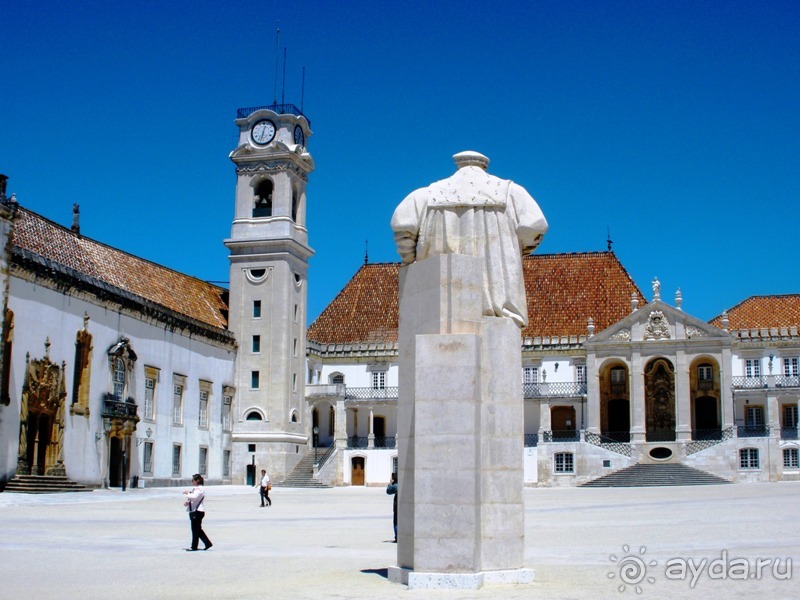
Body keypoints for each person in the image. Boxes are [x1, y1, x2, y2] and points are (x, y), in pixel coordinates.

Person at [390, 150, 548, 329]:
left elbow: (402, 228)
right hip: (497, 311)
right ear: (484, 165)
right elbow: (534, 226)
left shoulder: (425, 195)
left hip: (438, 310)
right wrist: (519, 250)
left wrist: (412, 264)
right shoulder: (511, 193)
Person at [183, 474, 212, 551]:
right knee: (197, 529)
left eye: (193, 480)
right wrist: (188, 502)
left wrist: (187, 494)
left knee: (195, 529)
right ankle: (207, 543)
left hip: (197, 511)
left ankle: (194, 546)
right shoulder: (197, 489)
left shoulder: (199, 489)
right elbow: (194, 498)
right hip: (196, 510)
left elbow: (194, 497)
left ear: (197, 481)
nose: (192, 482)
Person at [386, 473, 398, 543]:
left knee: (396, 523)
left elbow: (388, 491)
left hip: (397, 507)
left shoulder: (395, 486)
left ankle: (397, 537)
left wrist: (390, 484)